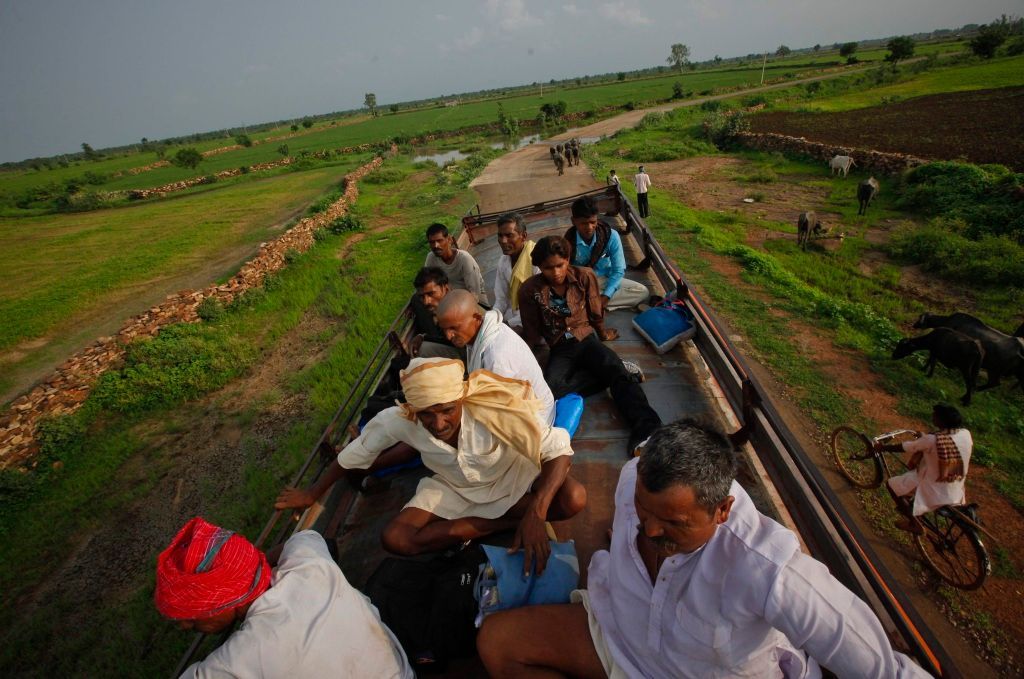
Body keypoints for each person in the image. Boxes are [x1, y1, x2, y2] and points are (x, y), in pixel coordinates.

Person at [478, 419, 931, 679]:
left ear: (723, 510)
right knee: (498, 642)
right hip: (623, 641)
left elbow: (880, 668)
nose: (650, 531)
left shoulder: (770, 570)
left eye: (675, 523)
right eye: (643, 512)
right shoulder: (636, 480)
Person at [276, 357, 586, 574]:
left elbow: (558, 448)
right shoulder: (398, 421)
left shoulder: (492, 408)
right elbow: (353, 456)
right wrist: (312, 493)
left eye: (447, 411)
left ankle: (501, 521)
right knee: (395, 538)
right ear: (413, 409)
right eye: (427, 414)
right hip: (455, 488)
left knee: (574, 497)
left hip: (512, 480)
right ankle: (503, 523)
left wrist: (536, 512)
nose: (438, 423)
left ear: (461, 400)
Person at [156, 517, 413, 678]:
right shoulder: (309, 564)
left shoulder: (243, 655)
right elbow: (306, 536)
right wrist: (249, 567)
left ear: (222, 603)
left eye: (191, 615)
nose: (185, 625)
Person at [518, 235, 661, 453]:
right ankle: (615, 371)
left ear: (567, 260)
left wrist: (603, 335)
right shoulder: (530, 290)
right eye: (548, 268)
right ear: (539, 267)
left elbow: (595, 312)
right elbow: (531, 332)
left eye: (560, 265)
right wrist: (526, 367)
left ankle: (646, 432)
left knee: (616, 372)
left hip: (586, 338)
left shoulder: (584, 276)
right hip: (560, 347)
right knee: (550, 390)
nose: (555, 272)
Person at [436, 289, 555, 425]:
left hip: (536, 421)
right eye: (444, 329)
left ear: (477, 318)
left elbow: (501, 412)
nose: (448, 336)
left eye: (454, 328)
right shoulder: (480, 337)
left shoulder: (495, 356)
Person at [876, 403, 972, 534]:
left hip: (934, 485)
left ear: (941, 421)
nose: (932, 416)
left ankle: (915, 524)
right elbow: (939, 443)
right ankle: (912, 508)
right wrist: (925, 439)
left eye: (935, 415)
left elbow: (907, 447)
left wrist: (883, 448)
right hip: (955, 484)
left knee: (891, 485)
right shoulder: (965, 434)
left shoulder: (932, 440)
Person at [563, 196, 649, 311]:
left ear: (597, 219)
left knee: (642, 291)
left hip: (605, 280)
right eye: (583, 223)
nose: (589, 227)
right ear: (573, 221)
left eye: (593, 222)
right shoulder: (568, 241)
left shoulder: (610, 236)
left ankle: (588, 304)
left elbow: (618, 270)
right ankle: (592, 304)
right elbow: (566, 272)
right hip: (582, 282)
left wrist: (606, 296)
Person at [492, 212, 539, 332]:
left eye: (509, 235)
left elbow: (539, 303)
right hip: (512, 315)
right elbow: (501, 299)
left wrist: (509, 325)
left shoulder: (536, 259)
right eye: (500, 236)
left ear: (523, 236)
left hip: (535, 318)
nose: (503, 241)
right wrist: (492, 320)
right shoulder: (503, 261)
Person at [423, 223, 487, 304]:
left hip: (473, 300)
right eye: (432, 242)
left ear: (449, 239)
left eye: (439, 241)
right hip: (450, 300)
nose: (436, 245)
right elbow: (426, 281)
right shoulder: (431, 258)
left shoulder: (464, 259)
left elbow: (475, 292)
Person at [410, 267, 460, 359]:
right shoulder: (441, 310)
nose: (426, 301)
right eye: (422, 296)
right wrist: (423, 336)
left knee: (423, 351)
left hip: (470, 356)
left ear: (446, 289)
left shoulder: (456, 311)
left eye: (431, 294)